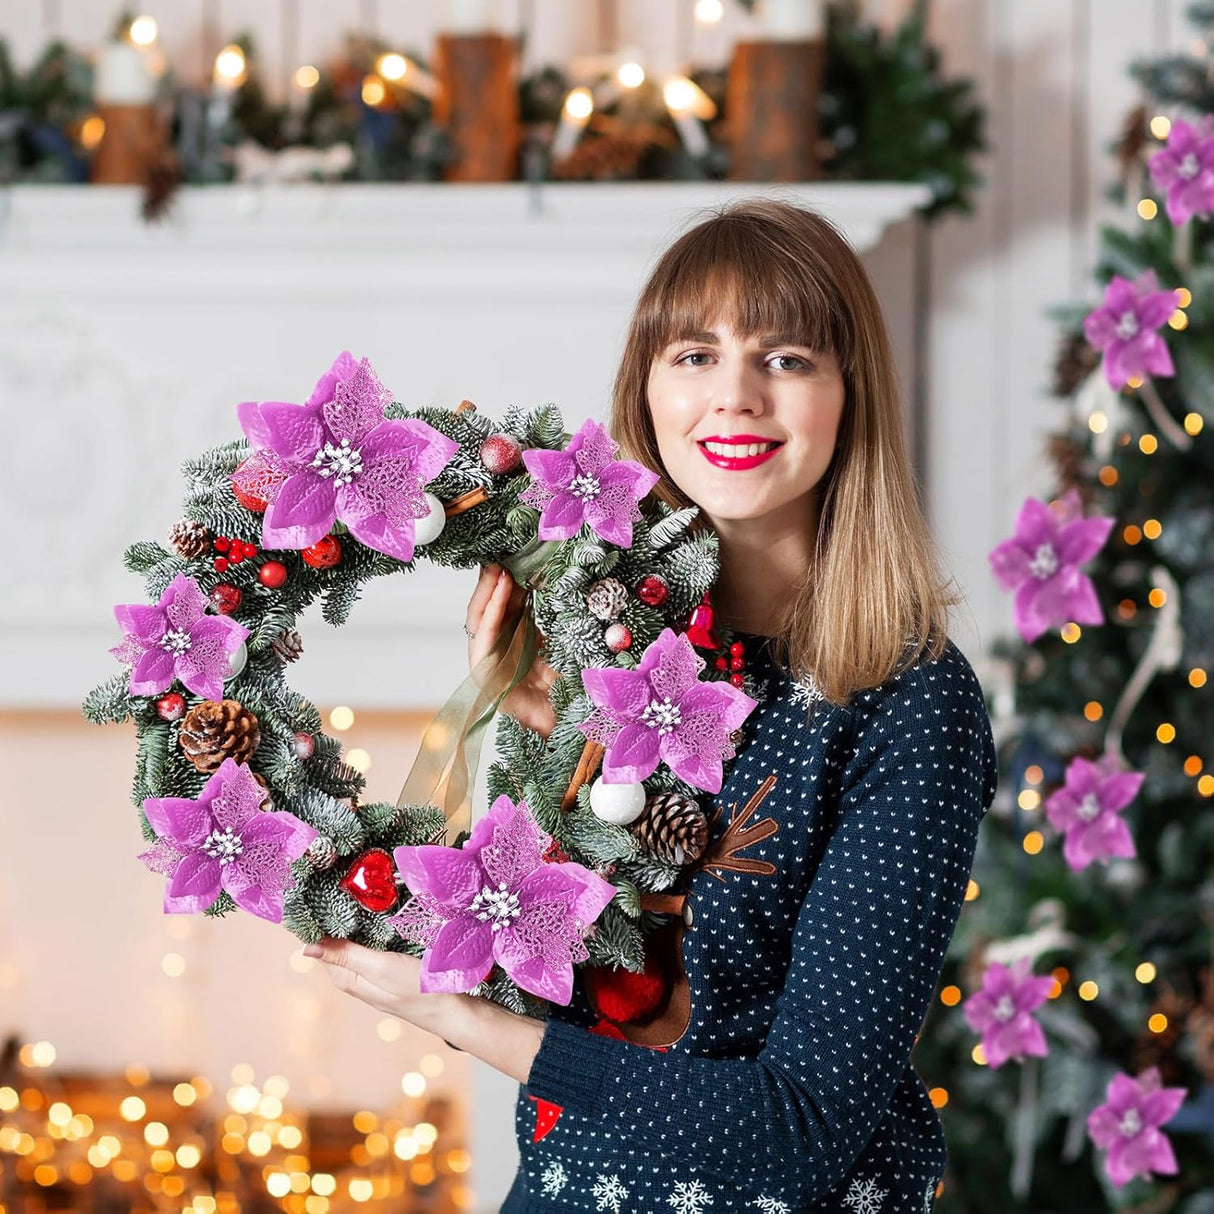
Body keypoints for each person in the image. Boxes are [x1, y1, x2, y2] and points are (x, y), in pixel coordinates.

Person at [305, 198, 998, 1212]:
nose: (734, 398)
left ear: (849, 394)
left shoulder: (907, 703)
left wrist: (453, 1016)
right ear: (645, 386)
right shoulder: (610, 646)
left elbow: (794, 1132)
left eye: (788, 359)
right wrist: (547, 732)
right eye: (692, 355)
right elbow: (583, 988)